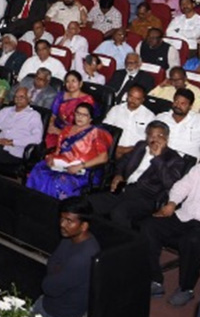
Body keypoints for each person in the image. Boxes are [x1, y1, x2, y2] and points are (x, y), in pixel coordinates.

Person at [84, 121, 188, 229]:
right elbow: (123, 162)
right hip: (123, 189)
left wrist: (157, 158)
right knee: (90, 203)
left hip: (145, 198)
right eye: (151, 135)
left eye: (159, 136)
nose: (155, 139)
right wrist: (119, 175)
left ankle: (124, 242)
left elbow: (170, 184)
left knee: (119, 213)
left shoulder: (175, 159)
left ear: (166, 138)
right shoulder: (141, 146)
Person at [32, 198, 101, 317]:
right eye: (62, 219)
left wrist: (56, 271)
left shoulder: (83, 256)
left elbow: (50, 287)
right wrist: (57, 270)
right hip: (47, 304)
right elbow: (52, 263)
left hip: (60, 316)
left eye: (69, 221)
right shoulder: (70, 237)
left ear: (84, 226)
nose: (62, 224)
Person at [26, 102, 112, 200]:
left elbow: (104, 157)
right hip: (62, 165)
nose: (80, 117)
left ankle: (56, 208)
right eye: (78, 113)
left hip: (83, 169)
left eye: (84, 115)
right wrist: (51, 158)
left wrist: (80, 166)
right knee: (39, 171)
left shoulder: (96, 133)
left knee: (57, 182)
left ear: (90, 118)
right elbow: (58, 150)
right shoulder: (67, 130)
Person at [145, 162, 200, 307]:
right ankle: (155, 279)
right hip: (185, 215)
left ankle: (186, 289)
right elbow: (183, 185)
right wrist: (172, 203)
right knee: (150, 226)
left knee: (192, 240)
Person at [45, 70, 96, 149]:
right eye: (67, 81)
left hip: (75, 132)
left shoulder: (87, 100)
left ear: (80, 83)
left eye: (73, 81)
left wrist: (60, 132)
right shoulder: (60, 95)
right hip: (56, 127)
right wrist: (51, 126)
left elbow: (85, 123)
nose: (70, 84)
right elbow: (53, 114)